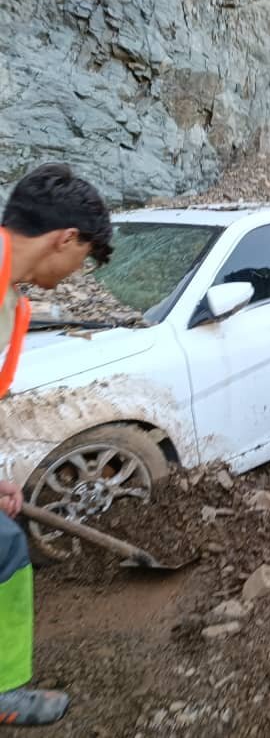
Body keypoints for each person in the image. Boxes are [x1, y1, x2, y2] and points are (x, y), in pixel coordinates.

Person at [0, 163, 113, 726]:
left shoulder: (14, 308)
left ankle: (4, 691)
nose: (77, 272)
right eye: (83, 257)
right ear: (65, 238)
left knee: (7, 548)